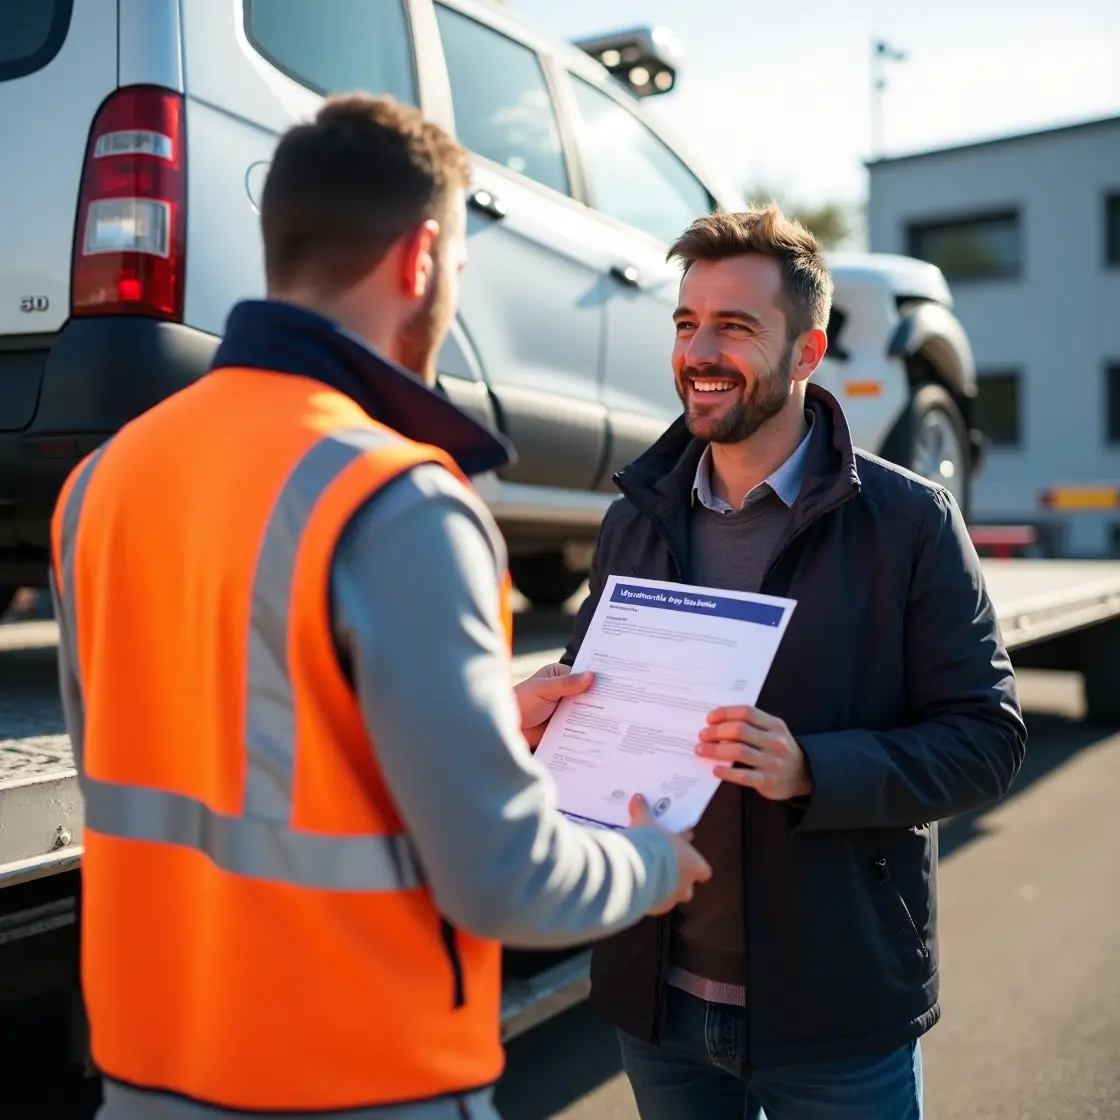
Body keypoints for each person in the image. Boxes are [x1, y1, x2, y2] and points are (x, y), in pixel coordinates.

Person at [49, 93, 711, 1120]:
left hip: (148, 1074)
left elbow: (191, 752)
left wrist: (484, 724)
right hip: (360, 1081)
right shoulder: (395, 497)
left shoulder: (104, 478)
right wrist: (649, 862)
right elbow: (505, 882)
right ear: (421, 260)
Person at [560, 207, 1028, 1120]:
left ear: (807, 352)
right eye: (686, 322)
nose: (699, 350)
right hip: (656, 1000)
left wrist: (816, 767)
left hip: (836, 1009)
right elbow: (597, 701)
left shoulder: (910, 522)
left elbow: (986, 737)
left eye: (734, 327)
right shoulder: (635, 518)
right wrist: (550, 712)